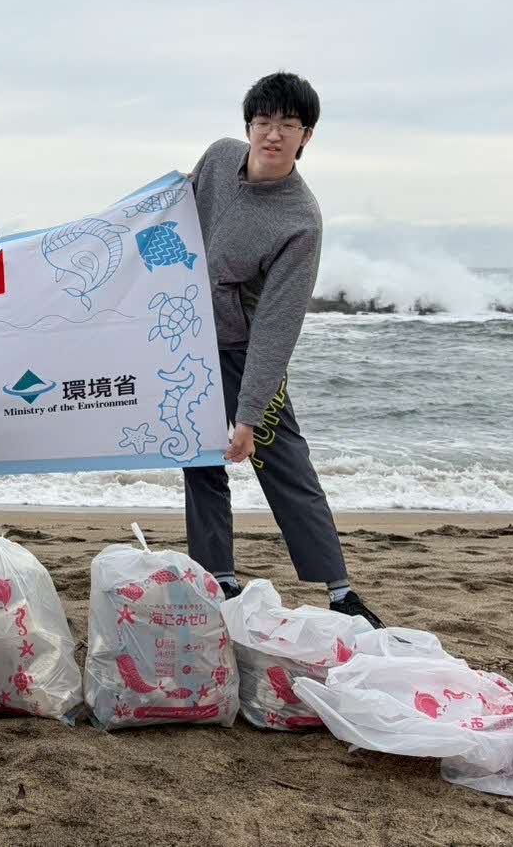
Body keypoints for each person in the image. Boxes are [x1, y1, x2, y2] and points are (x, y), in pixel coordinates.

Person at [183, 73, 383, 627]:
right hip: (185, 335)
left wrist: (248, 414)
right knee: (199, 457)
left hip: (246, 347)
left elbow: (277, 324)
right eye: (263, 123)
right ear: (248, 126)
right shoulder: (220, 159)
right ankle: (217, 576)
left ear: (306, 136)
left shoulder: (301, 219)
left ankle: (339, 589)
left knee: (282, 457)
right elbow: (175, 202)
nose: (273, 135)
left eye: (287, 126)